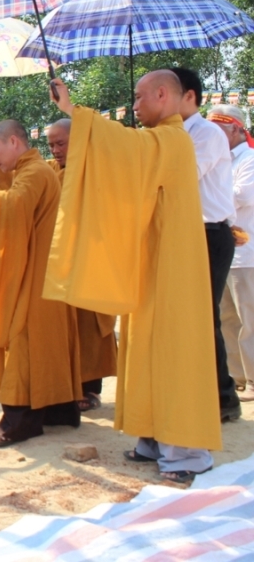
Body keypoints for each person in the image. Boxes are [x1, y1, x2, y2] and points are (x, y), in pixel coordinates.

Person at [46, 72, 221, 485]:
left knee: (174, 353)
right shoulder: (162, 139)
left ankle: (188, 454)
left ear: (164, 95)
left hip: (175, 268)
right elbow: (125, 161)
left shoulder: (174, 139)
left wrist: (74, 110)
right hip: (155, 262)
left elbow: (124, 148)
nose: (135, 105)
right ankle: (155, 439)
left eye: (140, 97)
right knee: (144, 346)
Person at [0, 119, 80, 447]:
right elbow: (9, 184)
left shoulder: (36, 171)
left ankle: (20, 420)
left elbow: (12, 203)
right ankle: (57, 409)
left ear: (14, 142)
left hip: (38, 271)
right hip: (43, 269)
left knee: (22, 337)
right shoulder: (30, 169)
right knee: (45, 341)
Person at [170, 67, 242, 423]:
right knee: (187, 317)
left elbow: (180, 176)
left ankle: (223, 396)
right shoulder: (172, 133)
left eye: (162, 93)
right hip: (182, 233)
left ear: (189, 96)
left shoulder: (207, 133)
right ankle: (201, 391)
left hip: (208, 233)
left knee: (204, 316)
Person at [46, 118, 117, 412]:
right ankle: (66, 386)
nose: (56, 150)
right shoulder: (50, 170)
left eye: (60, 143)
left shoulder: (96, 166)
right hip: (60, 259)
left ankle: (90, 388)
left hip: (92, 256)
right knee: (64, 326)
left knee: (90, 325)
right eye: (50, 145)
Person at [208, 105, 254, 403]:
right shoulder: (217, 161)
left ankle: (253, 379)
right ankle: (236, 376)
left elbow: (242, 195)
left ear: (236, 129)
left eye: (220, 129)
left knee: (249, 318)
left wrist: (213, 194)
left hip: (247, 253)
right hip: (225, 251)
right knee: (225, 317)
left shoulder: (249, 159)